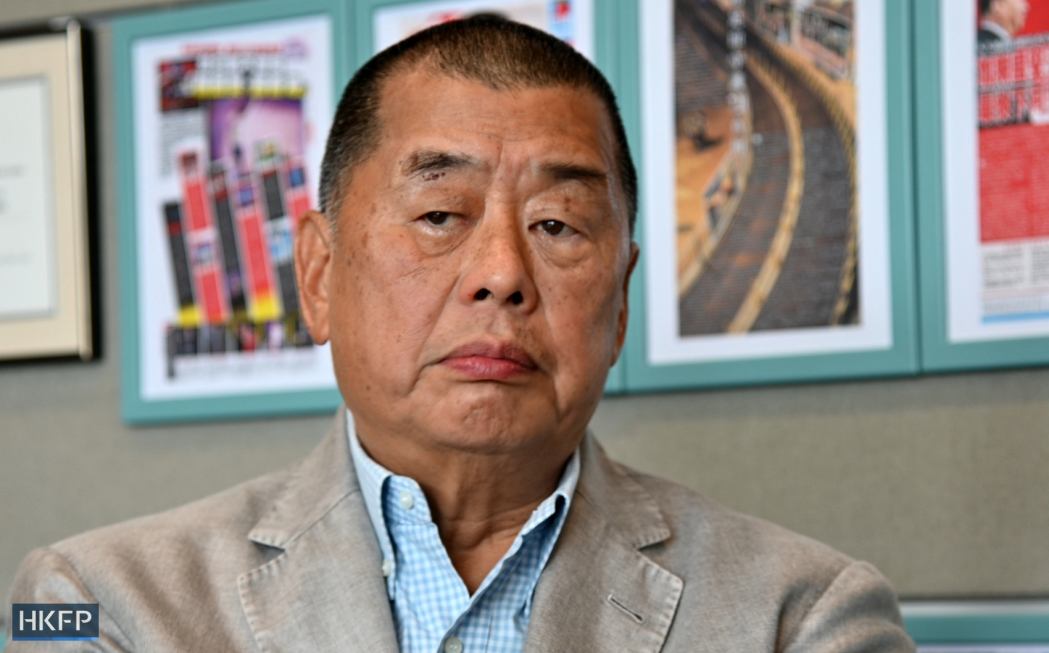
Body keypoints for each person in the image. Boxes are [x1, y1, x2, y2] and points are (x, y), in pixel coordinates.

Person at [7, 17, 915, 652]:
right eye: (440, 214)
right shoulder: (97, 599)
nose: (502, 273)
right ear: (317, 275)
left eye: (558, 224)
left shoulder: (800, 615)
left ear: (621, 301)